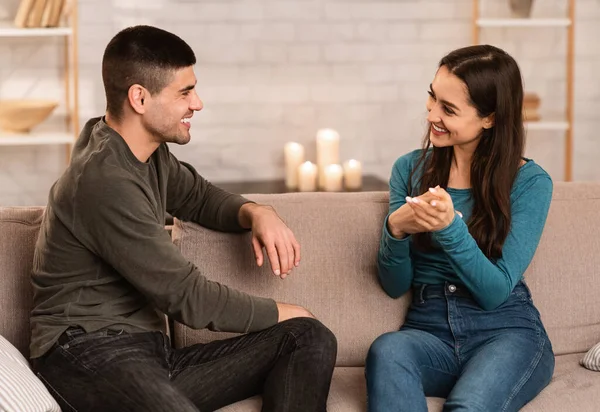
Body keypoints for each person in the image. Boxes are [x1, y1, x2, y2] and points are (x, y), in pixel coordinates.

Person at [30, 25, 336, 412]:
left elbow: (200, 197)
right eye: (185, 92)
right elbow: (188, 298)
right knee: (300, 321)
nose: (198, 104)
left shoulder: (145, 155)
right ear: (140, 98)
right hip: (86, 353)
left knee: (307, 336)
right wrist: (285, 310)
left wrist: (257, 212)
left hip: (151, 356)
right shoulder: (103, 180)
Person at [365, 44, 555, 412]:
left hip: (505, 332)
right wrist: (396, 229)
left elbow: (495, 292)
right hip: (428, 328)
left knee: (466, 408)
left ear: (490, 118)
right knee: (387, 348)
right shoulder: (409, 169)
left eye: (448, 109)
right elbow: (394, 286)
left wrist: (451, 228)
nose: (432, 115)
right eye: (432, 98)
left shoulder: (529, 182)